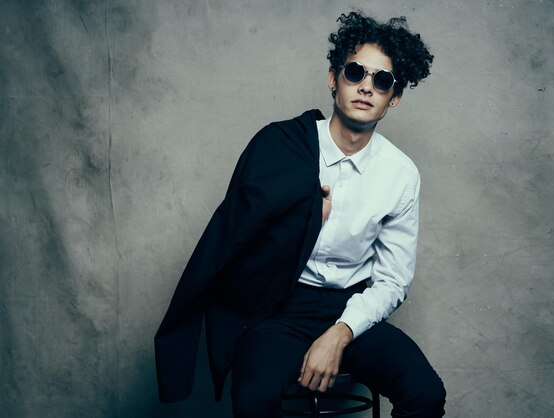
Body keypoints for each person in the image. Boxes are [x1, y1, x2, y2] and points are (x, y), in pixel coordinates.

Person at [155, 11, 446, 418]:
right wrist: (302, 219)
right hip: (279, 311)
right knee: (254, 398)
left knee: (425, 392)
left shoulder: (400, 175)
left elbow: (393, 280)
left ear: (393, 97)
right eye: (355, 72)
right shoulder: (281, 145)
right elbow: (233, 242)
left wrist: (340, 333)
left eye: (382, 81)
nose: (366, 87)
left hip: (351, 307)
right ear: (333, 78)